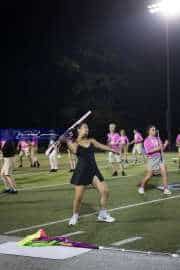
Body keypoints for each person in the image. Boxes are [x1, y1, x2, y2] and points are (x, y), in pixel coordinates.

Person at [62, 122, 116, 226]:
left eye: (87, 127)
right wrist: (67, 139)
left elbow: (101, 146)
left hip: (93, 170)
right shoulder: (74, 142)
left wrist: (112, 149)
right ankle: (75, 215)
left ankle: (103, 214)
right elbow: (74, 150)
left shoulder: (91, 140)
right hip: (82, 171)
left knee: (105, 191)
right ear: (78, 130)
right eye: (84, 128)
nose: (87, 129)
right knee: (78, 198)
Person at [138, 125, 171, 195]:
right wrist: (158, 148)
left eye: (155, 129)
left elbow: (162, 148)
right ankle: (141, 187)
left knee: (164, 173)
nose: (154, 131)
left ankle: (166, 188)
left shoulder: (157, 139)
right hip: (152, 159)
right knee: (149, 175)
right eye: (152, 130)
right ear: (149, 131)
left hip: (160, 158)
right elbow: (148, 151)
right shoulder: (147, 140)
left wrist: (165, 144)